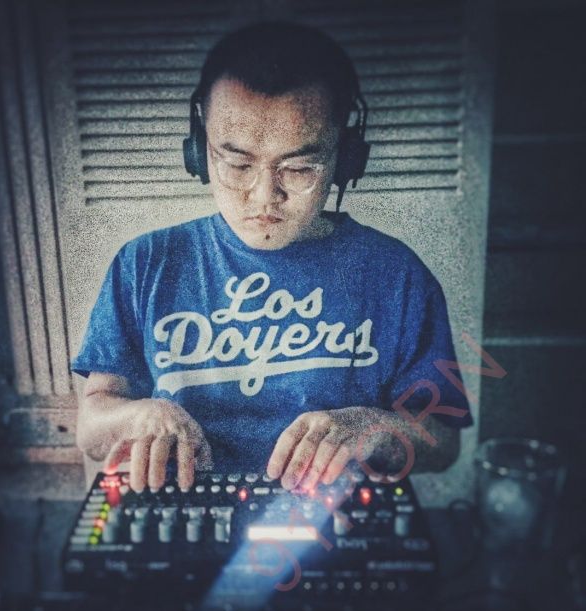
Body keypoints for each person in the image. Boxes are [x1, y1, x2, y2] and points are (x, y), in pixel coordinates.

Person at [72, 22, 473, 494]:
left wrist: (373, 428)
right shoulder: (144, 263)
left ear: (345, 158)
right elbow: (92, 428)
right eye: (237, 164)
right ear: (199, 151)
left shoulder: (397, 274)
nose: (265, 196)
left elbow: (443, 442)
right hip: (187, 511)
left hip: (332, 515)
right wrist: (139, 416)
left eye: (299, 167)